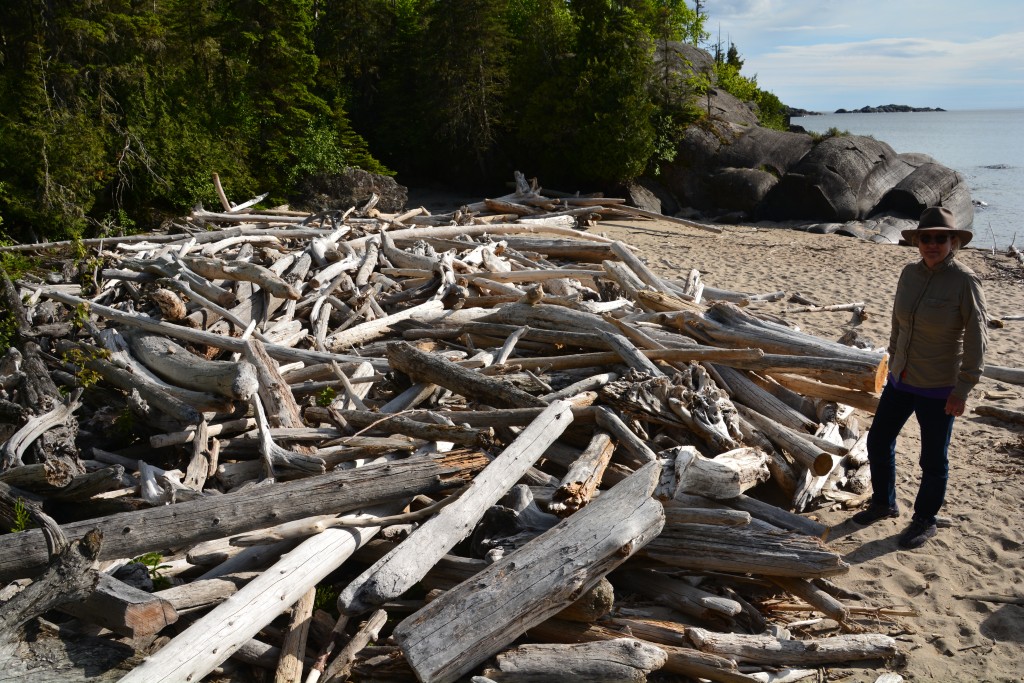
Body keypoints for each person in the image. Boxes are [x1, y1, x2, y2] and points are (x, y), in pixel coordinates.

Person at [851, 206, 988, 549]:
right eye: (926, 238)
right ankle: (884, 502)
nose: (932, 244)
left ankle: (925, 519)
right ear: (917, 241)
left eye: (940, 238)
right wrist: (893, 360)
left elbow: (977, 338)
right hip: (901, 379)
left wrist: (963, 389)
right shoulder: (908, 274)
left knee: (933, 459)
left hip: (939, 387)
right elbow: (898, 323)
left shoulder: (965, 281)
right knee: (878, 441)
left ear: (953, 241)